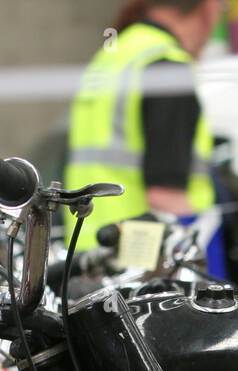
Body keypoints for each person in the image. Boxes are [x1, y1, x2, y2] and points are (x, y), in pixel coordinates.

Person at [64, 0, 224, 245]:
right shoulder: (166, 66)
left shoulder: (114, 56)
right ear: (209, 7)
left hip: (87, 258)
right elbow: (166, 198)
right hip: (141, 263)